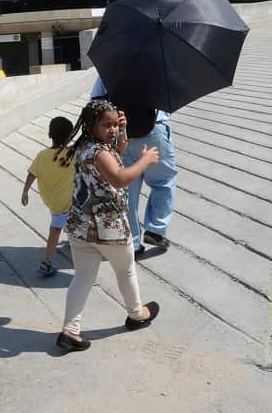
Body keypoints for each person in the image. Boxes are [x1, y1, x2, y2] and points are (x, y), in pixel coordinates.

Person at [56, 99, 161, 353]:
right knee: (125, 270)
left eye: (115, 125)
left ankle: (70, 331)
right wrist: (145, 160)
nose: (113, 130)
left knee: (82, 276)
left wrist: (122, 131)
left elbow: (118, 152)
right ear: (92, 125)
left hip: (81, 225)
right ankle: (137, 314)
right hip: (108, 226)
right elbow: (120, 178)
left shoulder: (85, 146)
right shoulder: (100, 152)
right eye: (108, 126)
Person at [90, 77, 178, 257]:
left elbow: (95, 103)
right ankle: (156, 229)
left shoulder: (109, 68)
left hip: (122, 135)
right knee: (163, 182)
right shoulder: (160, 66)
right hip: (155, 130)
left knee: (127, 191)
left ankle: (134, 242)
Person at [20, 116, 75, 277]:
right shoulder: (72, 154)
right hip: (70, 202)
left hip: (53, 202)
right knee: (66, 227)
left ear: (49, 135)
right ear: (70, 136)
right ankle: (51, 260)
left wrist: (25, 191)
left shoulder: (42, 155)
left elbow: (31, 174)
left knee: (57, 228)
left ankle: (47, 262)